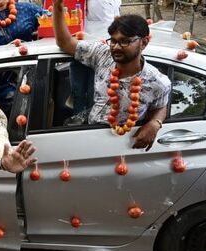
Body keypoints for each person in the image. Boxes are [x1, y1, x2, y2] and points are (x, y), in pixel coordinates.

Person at [53, 3, 171, 151]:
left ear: (144, 42)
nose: (116, 47)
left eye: (125, 41)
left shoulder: (158, 82)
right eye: (113, 40)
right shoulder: (103, 55)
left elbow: (160, 106)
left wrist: (155, 123)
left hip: (126, 145)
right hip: (90, 134)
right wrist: (57, 7)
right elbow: (65, 42)